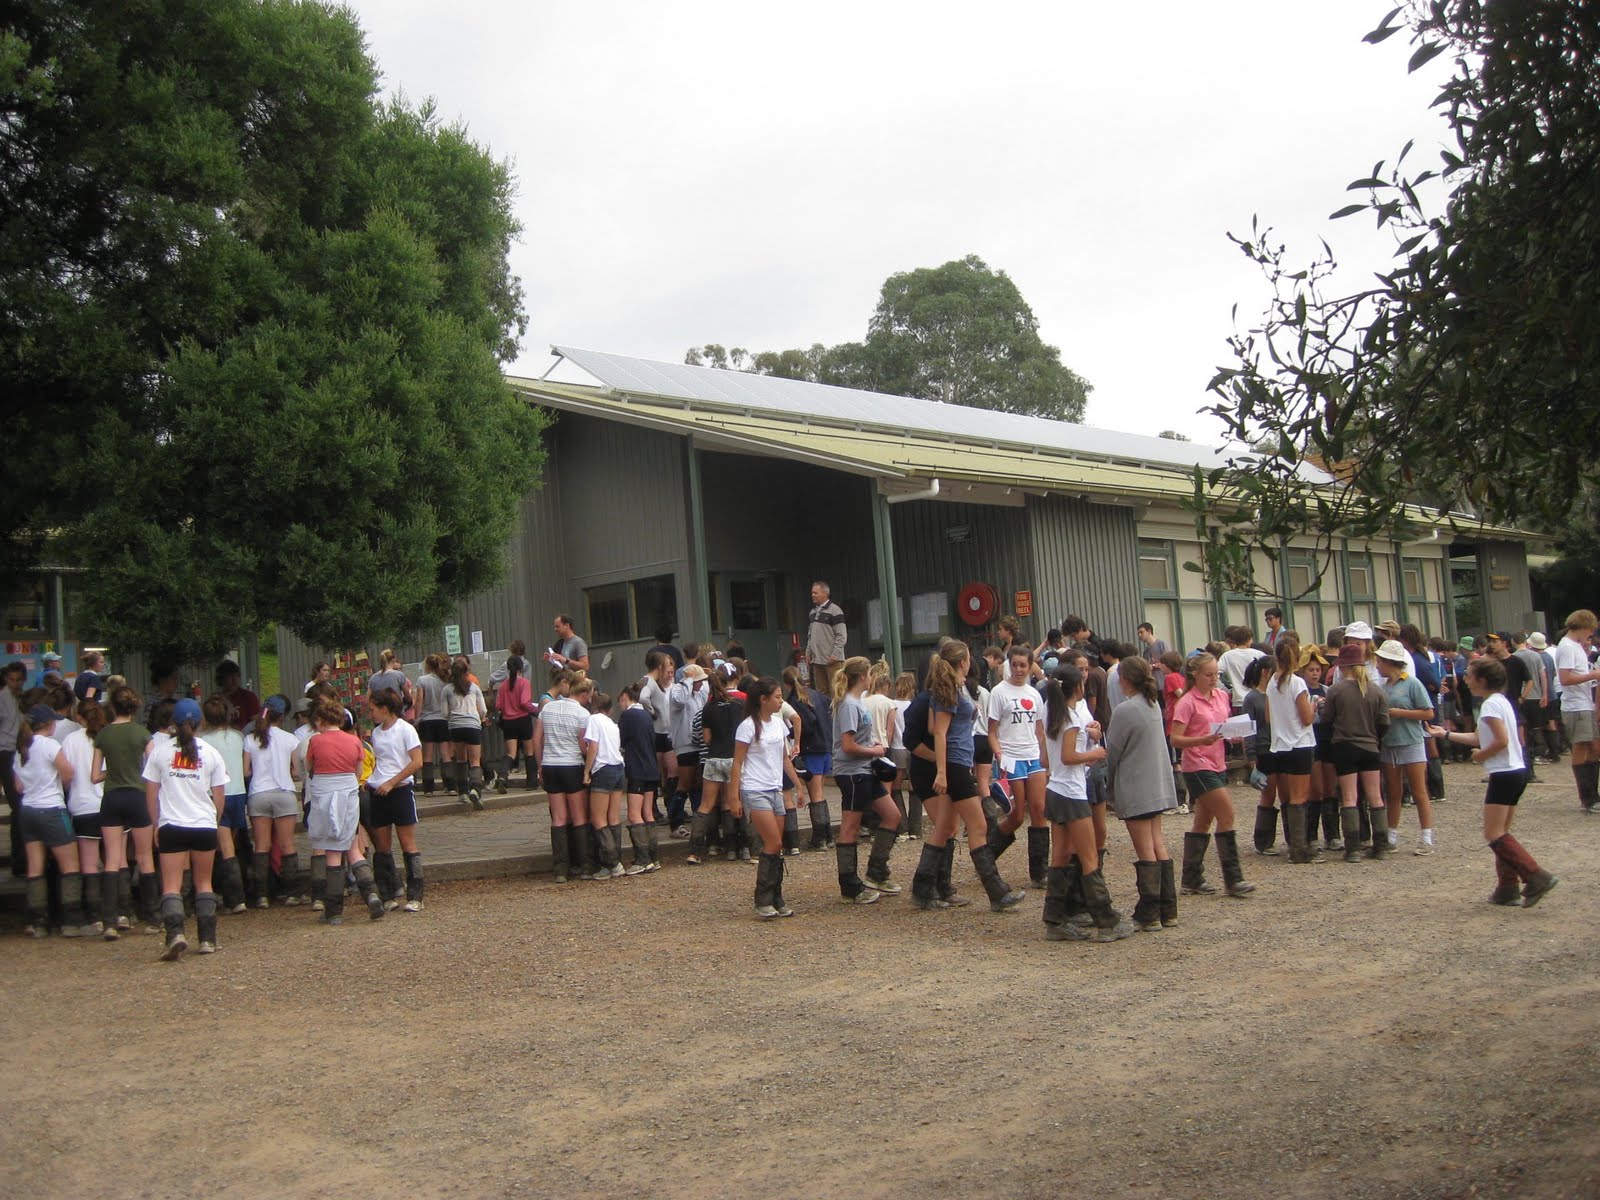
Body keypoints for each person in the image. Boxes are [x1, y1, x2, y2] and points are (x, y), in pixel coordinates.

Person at [1428, 657, 1557, 907]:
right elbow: (1479, 736)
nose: (1465, 680)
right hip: (1516, 770)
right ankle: (1507, 887)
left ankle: (1535, 875)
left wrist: (1481, 756)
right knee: (1502, 833)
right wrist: (1445, 733)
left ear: (1482, 680)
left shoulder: (1489, 706)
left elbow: (1500, 740)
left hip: (1504, 773)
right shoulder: (1500, 701)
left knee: (1493, 833)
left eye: (1469, 675)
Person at [909, 641, 1026, 913]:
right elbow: (938, 732)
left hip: (957, 762)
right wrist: (941, 771)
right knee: (978, 826)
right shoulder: (949, 690)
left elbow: (934, 726)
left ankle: (922, 888)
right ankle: (996, 892)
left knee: (944, 827)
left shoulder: (951, 687)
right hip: (955, 764)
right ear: (964, 662)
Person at [141, 697, 228, 958]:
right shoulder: (211, 753)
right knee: (204, 883)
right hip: (204, 825)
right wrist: (214, 821)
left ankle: (175, 934)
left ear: (173, 723)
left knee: (171, 884)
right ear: (200, 722)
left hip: (172, 824)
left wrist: (156, 823)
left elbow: (151, 794)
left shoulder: (160, 752)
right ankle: (207, 939)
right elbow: (219, 795)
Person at [1169, 653, 1254, 897]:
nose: (1214, 678)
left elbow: (1222, 727)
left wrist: (1233, 735)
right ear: (1195, 675)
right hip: (1197, 764)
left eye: (1216, 674)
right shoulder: (1187, 702)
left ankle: (1191, 878)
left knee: (1203, 821)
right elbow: (1175, 738)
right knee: (1226, 814)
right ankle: (1233, 878)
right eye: (1209, 674)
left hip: (1217, 762)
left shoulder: (1221, 696)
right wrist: (1201, 740)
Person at [1104, 656, 1178, 934]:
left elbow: (1113, 752)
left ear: (1124, 679)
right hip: (1156, 784)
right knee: (1158, 844)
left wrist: (1108, 784)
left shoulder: (1125, 710)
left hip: (1135, 785)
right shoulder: (1152, 704)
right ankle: (1168, 909)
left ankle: (1149, 912)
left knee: (1145, 849)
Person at [303, 697, 385, 924]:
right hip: (349, 797)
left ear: (321, 720)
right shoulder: (354, 741)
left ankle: (334, 909)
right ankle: (371, 895)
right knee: (353, 848)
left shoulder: (315, 741)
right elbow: (358, 772)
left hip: (324, 797)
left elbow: (309, 767)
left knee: (332, 851)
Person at [730, 678, 804, 918]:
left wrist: (798, 785)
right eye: (777, 697)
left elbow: (784, 758)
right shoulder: (747, 727)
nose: (781, 701)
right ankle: (763, 898)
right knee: (773, 842)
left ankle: (775, 896)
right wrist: (734, 797)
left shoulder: (779, 724)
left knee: (777, 843)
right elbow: (737, 762)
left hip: (775, 788)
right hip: (755, 788)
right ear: (763, 700)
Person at [830, 656, 902, 901]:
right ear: (863, 676)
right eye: (870, 674)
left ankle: (876, 871)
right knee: (850, 825)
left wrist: (871, 747)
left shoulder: (857, 702)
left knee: (892, 815)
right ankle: (850, 886)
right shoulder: (849, 705)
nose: (872, 678)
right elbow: (847, 745)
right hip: (852, 772)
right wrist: (874, 751)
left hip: (865, 769)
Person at [15, 704, 85, 937]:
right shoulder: (49, 745)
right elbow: (68, 772)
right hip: (52, 809)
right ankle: (71, 920)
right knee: (70, 866)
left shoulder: (21, 749)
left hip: (28, 810)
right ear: (49, 724)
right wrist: (61, 785)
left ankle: (38, 922)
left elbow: (18, 786)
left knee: (35, 867)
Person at [987, 645, 1050, 889]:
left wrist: (1044, 758)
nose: (1018, 670)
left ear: (1030, 666)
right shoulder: (999, 692)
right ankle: (987, 854)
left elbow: (1039, 730)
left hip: (1032, 755)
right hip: (1011, 756)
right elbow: (992, 731)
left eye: (1023, 665)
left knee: (1039, 809)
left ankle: (1039, 871)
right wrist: (999, 754)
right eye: (1014, 665)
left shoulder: (1034, 694)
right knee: (1017, 814)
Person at [1325, 642, 1392, 863]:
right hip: (1370, 746)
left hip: (1344, 746)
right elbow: (1384, 722)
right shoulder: (1376, 690)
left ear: (1343, 666)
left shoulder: (1336, 690)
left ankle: (1353, 848)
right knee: (1375, 796)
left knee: (1349, 797)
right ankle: (1381, 846)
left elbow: (1327, 719)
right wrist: (1374, 737)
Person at [1263, 638, 1322, 863]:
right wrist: (1313, 707)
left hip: (1279, 745)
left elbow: (1268, 717)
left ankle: (1292, 844)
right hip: (1299, 744)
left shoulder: (1271, 683)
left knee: (1287, 799)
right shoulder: (1297, 683)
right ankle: (1299, 849)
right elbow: (1306, 718)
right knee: (1299, 798)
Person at [366, 687, 425, 911]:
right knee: (382, 846)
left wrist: (392, 781)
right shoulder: (376, 732)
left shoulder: (405, 729)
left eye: (373, 709)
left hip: (399, 789)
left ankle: (416, 895)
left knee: (407, 843)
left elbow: (416, 761)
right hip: (378, 790)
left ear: (385, 709)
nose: (370, 714)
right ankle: (387, 894)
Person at [1376, 639, 1437, 855]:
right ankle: (1391, 835)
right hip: (1390, 743)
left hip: (1411, 741)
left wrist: (1399, 713)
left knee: (1419, 791)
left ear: (1390, 662)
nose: (1377, 666)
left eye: (1380, 662)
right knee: (1393, 792)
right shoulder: (1383, 687)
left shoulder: (1412, 683)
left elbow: (1428, 712)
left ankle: (1426, 837)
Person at [243, 694, 302, 908]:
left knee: (261, 845)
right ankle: (292, 892)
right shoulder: (290, 739)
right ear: (283, 716)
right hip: (284, 793)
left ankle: (262, 895)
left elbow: (246, 771)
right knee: (287, 844)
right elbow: (296, 771)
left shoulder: (250, 739)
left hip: (258, 794)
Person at [533, 670, 591, 882]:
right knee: (578, 816)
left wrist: (540, 765)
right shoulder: (582, 713)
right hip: (572, 765)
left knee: (558, 818)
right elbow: (583, 746)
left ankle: (560, 869)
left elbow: (536, 739)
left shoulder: (547, 709)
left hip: (551, 765)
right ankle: (584, 865)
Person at [199, 694, 250, 912]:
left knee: (224, 847)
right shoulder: (238, 736)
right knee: (231, 844)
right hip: (238, 792)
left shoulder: (203, 740)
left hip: (218, 794)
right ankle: (233, 892)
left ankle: (234, 898)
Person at [688, 669, 742, 865]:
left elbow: (707, 738)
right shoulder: (738, 705)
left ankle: (694, 852)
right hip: (733, 758)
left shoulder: (708, 708)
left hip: (713, 759)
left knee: (706, 804)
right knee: (729, 802)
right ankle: (732, 849)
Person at [1553, 609, 1600, 811]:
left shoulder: (1575, 646)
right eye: (1590, 630)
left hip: (1583, 703)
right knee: (1581, 747)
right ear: (1583, 627)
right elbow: (1565, 679)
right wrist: (1593, 675)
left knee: (1592, 748)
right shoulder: (1567, 647)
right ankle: (1588, 798)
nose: (1591, 634)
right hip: (1576, 706)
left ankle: (1592, 795)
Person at [616, 685, 661, 874]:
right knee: (648, 813)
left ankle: (642, 859)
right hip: (651, 768)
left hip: (637, 769)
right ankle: (653, 857)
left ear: (625, 697)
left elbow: (620, 740)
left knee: (634, 814)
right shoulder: (646, 715)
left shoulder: (628, 715)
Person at [666, 664, 709, 836]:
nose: (700, 684)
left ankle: (699, 823)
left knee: (697, 784)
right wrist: (689, 681)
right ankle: (675, 823)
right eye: (698, 681)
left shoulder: (699, 693)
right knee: (684, 784)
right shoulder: (678, 690)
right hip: (684, 744)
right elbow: (679, 701)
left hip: (699, 743)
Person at [444, 655, 487, 810]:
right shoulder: (474, 687)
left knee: (461, 759)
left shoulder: (447, 689)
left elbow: (444, 712)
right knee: (475, 761)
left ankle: (462, 792)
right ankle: (475, 789)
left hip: (455, 726)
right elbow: (483, 709)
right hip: (472, 725)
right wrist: (480, 718)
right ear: (466, 672)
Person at [2, 660, 28, 877]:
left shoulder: (25, 699)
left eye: (18, 680)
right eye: (12, 679)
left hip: (23, 751)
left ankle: (25, 859)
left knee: (24, 805)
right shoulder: (2, 699)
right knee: (18, 806)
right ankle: (19, 861)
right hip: (6, 752)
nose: (15, 683)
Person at [495, 655, 535, 793]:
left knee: (511, 753)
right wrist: (536, 710)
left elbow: (498, 705)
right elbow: (524, 702)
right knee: (529, 751)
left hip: (508, 722)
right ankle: (531, 782)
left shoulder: (502, 686)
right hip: (523, 719)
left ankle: (502, 776)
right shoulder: (524, 683)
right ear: (521, 668)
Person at [414, 654, 452, 796]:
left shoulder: (422, 680)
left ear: (427, 665)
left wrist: (416, 718)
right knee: (446, 754)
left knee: (428, 755)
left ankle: (428, 788)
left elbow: (419, 701)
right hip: (443, 719)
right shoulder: (445, 680)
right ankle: (450, 785)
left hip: (427, 720)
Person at [806, 581, 847, 697]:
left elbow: (841, 635)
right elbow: (810, 635)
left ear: (825, 593)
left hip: (832, 661)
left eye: (816, 593)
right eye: (812, 593)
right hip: (817, 660)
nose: (813, 595)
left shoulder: (835, 611)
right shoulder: (812, 613)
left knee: (837, 691)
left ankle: (838, 710)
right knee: (821, 693)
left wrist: (835, 655)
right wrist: (808, 653)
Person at [1218, 626, 1268, 710]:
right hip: (1258, 698)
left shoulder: (1227, 656)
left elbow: (1216, 672)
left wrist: (1224, 689)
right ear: (1249, 639)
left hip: (1238, 700)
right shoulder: (1259, 654)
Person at [215, 661, 260, 732]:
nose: (234, 679)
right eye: (230, 676)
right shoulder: (216, 699)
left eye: (237, 676)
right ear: (221, 679)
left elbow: (256, 722)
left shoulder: (248, 696)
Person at [366, 649, 413, 715]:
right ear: (393, 660)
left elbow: (368, 699)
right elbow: (408, 696)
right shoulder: (399, 675)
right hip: (396, 713)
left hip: (380, 714)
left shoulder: (373, 678)